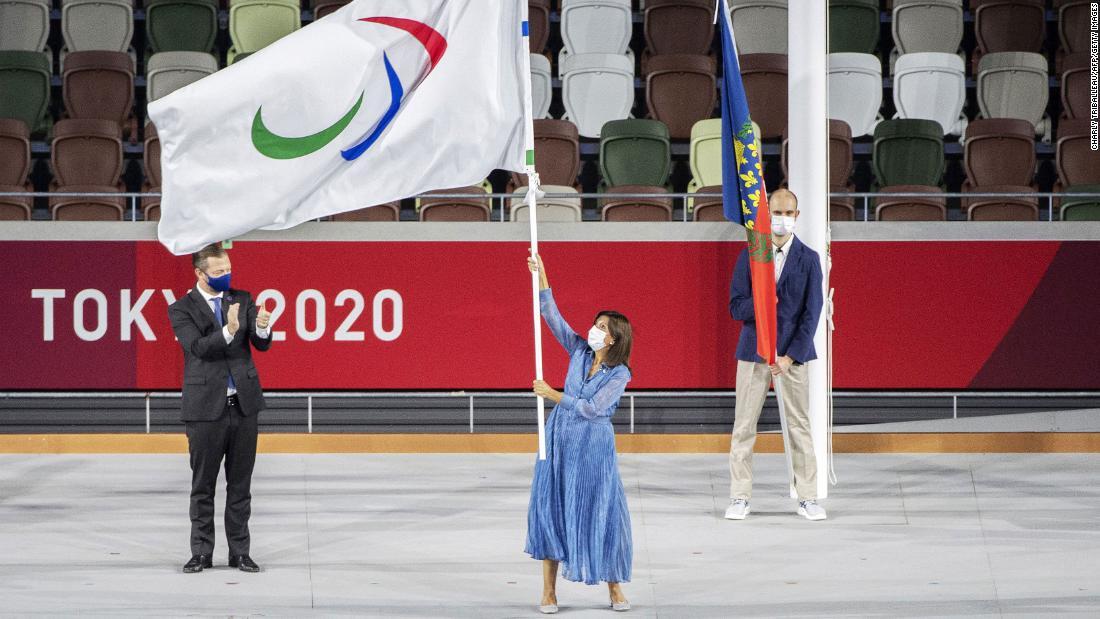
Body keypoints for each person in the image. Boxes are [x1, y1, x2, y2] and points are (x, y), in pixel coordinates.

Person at [524, 253, 633, 614]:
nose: (595, 330)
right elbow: (552, 318)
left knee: (601, 510)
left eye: (603, 327)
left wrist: (554, 394)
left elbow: (592, 408)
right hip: (559, 439)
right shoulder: (579, 351)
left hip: (593, 446)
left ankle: (614, 587)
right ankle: (548, 591)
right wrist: (542, 273)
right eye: (596, 323)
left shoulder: (620, 375)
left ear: (616, 338)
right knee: (552, 508)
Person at [168, 243, 274, 573]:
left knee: (240, 486)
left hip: (243, 405)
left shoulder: (242, 299)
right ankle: (201, 552)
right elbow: (198, 348)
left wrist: (261, 327)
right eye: (218, 272)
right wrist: (228, 330)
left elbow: (261, 344)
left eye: (228, 269)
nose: (226, 275)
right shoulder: (181, 309)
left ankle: (240, 552)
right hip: (204, 409)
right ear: (200, 273)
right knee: (203, 487)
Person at [725, 188, 826, 522]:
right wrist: (763, 303)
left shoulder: (809, 259)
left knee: (800, 426)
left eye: (787, 213)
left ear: (796, 216)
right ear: (767, 215)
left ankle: (808, 497)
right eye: (775, 213)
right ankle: (739, 496)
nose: (781, 219)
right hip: (753, 353)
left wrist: (789, 356)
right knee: (743, 426)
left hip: (792, 358)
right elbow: (735, 307)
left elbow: (812, 314)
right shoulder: (750, 255)